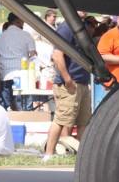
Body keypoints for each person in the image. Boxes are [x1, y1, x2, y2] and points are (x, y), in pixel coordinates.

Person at [43, 15, 96, 161]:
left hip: (82, 82)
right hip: (70, 83)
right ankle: (48, 154)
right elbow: (57, 54)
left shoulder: (81, 25)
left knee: (83, 122)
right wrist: (67, 79)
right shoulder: (66, 27)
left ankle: (82, 156)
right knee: (61, 120)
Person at [0, 14, 36, 111]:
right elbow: (33, 56)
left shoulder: (0, 38)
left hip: (5, 76)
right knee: (24, 110)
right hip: (22, 77)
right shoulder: (26, 35)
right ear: (19, 20)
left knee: (7, 110)